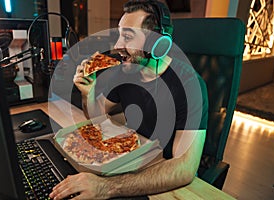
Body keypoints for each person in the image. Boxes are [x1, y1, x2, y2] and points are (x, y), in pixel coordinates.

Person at [50, 0, 208, 199]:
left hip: (162, 178)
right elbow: (97, 114)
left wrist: (106, 187)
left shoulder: (190, 86)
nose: (117, 46)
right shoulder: (124, 71)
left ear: (157, 42)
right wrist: (88, 92)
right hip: (128, 161)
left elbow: (184, 168)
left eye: (128, 37)